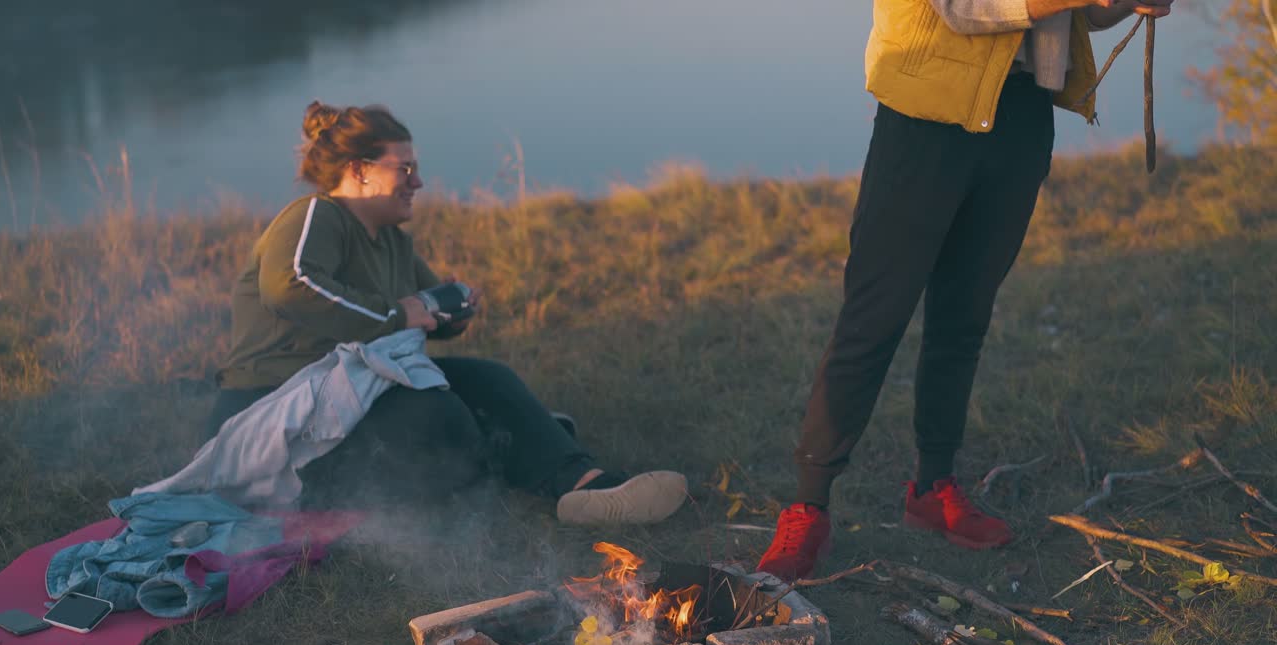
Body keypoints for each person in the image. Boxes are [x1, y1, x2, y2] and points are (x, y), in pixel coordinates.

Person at [757, 0, 1176, 580]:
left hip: (1024, 114)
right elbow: (963, 8)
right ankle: (809, 505)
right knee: (874, 317)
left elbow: (1078, 15)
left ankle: (933, 489)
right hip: (928, 115)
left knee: (965, 314)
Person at [206, 101, 687, 524]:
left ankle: (586, 485)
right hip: (276, 404)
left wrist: (450, 313)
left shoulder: (392, 240)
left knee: (489, 379)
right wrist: (399, 315)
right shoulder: (318, 215)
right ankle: (508, 440)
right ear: (360, 170)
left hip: (352, 393)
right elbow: (290, 287)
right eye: (406, 169)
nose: (419, 182)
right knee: (438, 417)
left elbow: (421, 309)